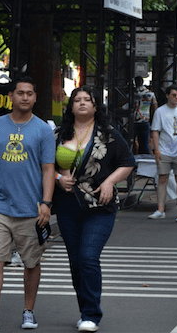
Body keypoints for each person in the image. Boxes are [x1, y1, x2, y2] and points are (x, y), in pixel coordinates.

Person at [0, 76, 55, 332]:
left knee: (31, 262)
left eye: (30, 93)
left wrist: (47, 203)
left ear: (35, 97)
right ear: (11, 97)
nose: (25, 97)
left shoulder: (43, 130)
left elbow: (48, 169)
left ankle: (28, 311)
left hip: (32, 209)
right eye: (20, 93)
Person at [53, 86, 135, 332]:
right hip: (67, 206)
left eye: (87, 100)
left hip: (100, 206)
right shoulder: (58, 133)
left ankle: (92, 314)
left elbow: (128, 162)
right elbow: (45, 166)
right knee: (76, 262)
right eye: (76, 100)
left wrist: (110, 181)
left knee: (88, 257)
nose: (81, 103)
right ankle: (84, 309)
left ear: (96, 105)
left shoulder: (108, 134)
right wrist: (59, 178)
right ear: (70, 106)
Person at [149, 85, 177, 221]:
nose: (176, 97)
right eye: (173, 95)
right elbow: (155, 131)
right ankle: (160, 209)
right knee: (163, 178)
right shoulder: (160, 112)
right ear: (168, 95)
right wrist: (156, 150)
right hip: (164, 149)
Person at [133, 76, 158, 155]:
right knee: (145, 142)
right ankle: (145, 160)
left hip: (133, 120)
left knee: (132, 141)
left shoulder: (133, 93)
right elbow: (155, 108)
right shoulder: (150, 94)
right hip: (145, 120)